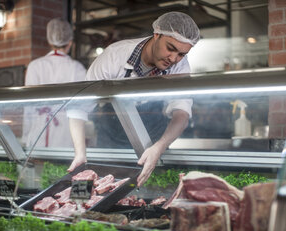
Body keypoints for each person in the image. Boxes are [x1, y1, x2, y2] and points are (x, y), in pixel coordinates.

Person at [67, 11, 200, 187]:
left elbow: (181, 113)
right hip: (111, 144)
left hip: (153, 145)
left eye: (182, 54)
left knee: (151, 196)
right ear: (157, 34)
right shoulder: (114, 56)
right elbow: (79, 107)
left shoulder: (180, 67)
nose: (174, 59)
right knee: (106, 194)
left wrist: (159, 148)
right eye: (170, 48)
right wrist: (80, 154)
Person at [22, 18, 86, 148]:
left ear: (49, 41)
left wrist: (25, 136)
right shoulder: (77, 68)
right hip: (67, 133)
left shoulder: (34, 66)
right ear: (70, 43)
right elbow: (84, 106)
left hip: (37, 131)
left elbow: (28, 106)